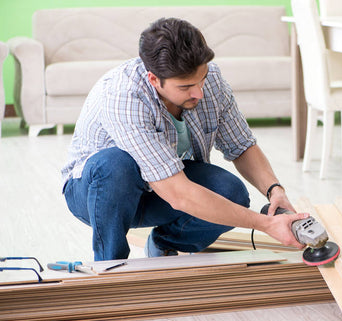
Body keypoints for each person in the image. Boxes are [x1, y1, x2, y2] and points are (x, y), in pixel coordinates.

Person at [61, 17, 307, 261]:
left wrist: (275, 190)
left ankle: (164, 244)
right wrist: (266, 224)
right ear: (154, 80)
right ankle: (110, 265)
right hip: (97, 192)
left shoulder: (209, 81)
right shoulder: (123, 96)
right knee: (115, 164)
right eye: (186, 86)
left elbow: (241, 146)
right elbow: (179, 194)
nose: (199, 92)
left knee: (231, 193)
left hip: (163, 186)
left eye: (201, 78)